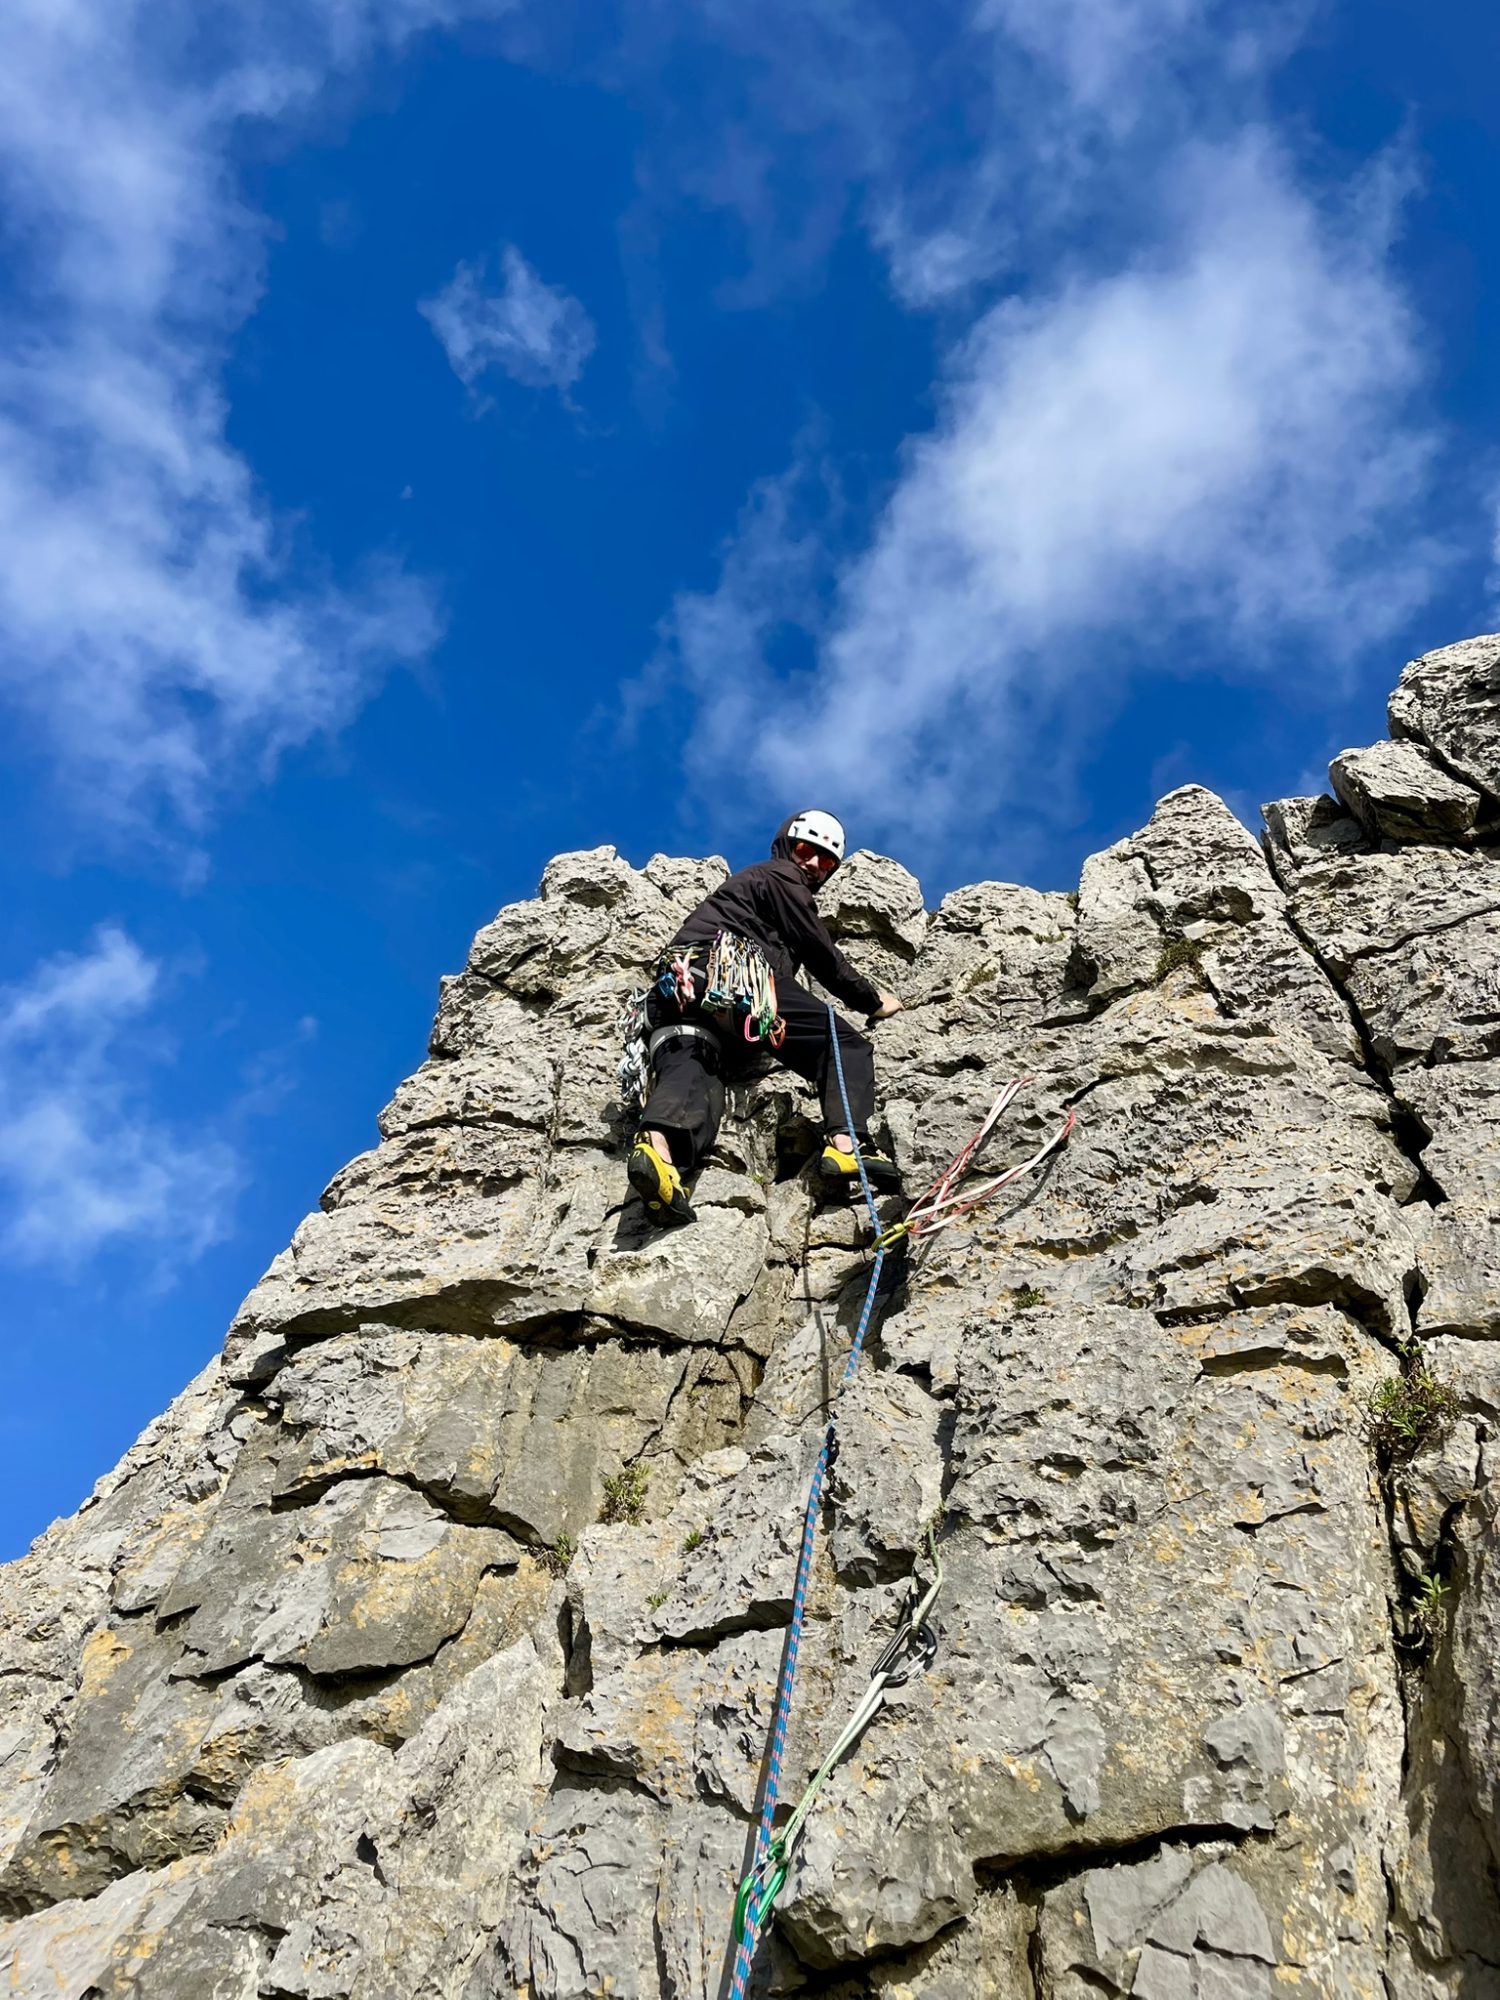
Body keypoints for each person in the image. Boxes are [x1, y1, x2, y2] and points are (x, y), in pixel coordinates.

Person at [628, 810, 904, 1225]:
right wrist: (871, 1001)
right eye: (806, 850)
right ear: (786, 846)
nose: (813, 864)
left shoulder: (752, 885)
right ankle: (849, 1145)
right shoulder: (779, 877)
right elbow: (819, 950)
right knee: (841, 1043)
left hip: (680, 992)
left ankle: (659, 1155)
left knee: (697, 1068)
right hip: (732, 972)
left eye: (826, 861)